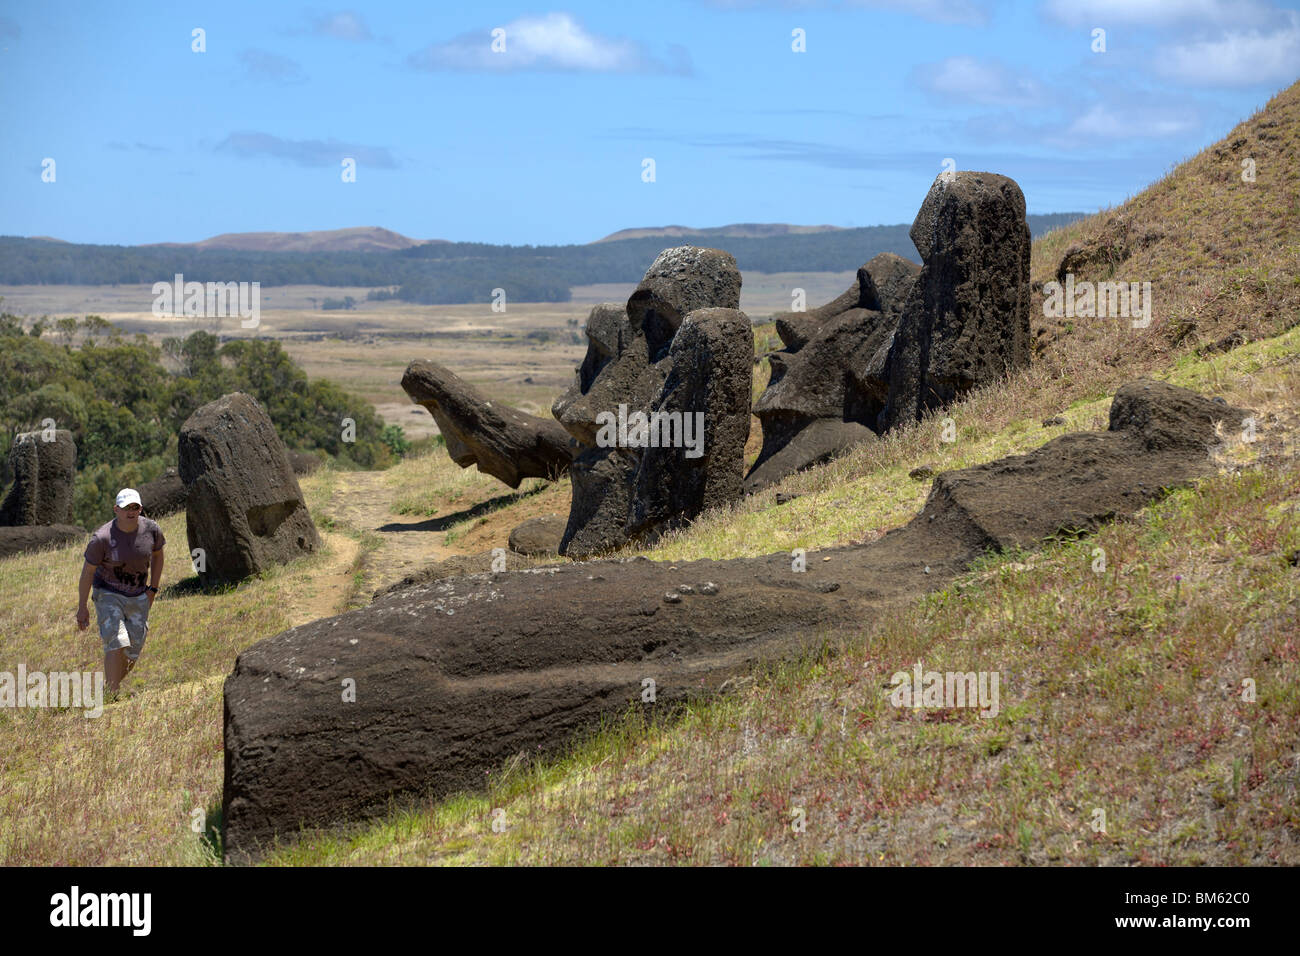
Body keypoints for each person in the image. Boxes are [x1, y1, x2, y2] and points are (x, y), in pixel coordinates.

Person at [75, 489, 166, 695]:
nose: (131, 512)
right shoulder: (102, 538)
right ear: (116, 509)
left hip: (138, 594)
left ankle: (108, 689)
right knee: (116, 640)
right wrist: (82, 607)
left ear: (140, 509)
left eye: (135, 507)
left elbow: (158, 555)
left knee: (132, 650)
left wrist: (153, 588)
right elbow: (87, 572)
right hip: (108, 593)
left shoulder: (151, 530)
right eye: (126, 508)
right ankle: (113, 694)